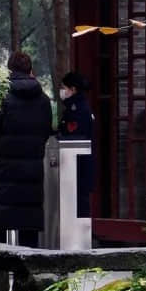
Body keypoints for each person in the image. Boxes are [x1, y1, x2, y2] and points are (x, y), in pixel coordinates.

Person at [0, 51, 53, 246]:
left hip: (4, 171)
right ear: (31, 70)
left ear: (10, 70)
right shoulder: (44, 101)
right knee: (28, 228)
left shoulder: (0, 97)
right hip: (32, 172)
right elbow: (45, 132)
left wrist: (1, 151)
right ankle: (27, 274)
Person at [58, 70, 94, 218]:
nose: (62, 91)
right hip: (77, 167)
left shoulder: (77, 110)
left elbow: (72, 137)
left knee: (79, 205)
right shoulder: (75, 107)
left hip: (78, 166)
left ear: (72, 89)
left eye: (64, 88)